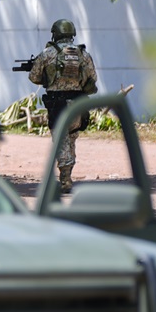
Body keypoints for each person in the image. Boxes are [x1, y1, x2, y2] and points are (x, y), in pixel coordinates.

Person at [27, 18, 98, 193]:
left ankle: (65, 179)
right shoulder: (83, 54)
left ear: (55, 33)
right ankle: (68, 174)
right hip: (78, 104)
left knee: (62, 140)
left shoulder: (47, 53)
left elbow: (34, 77)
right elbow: (93, 78)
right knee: (71, 139)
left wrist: (48, 77)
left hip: (58, 104)